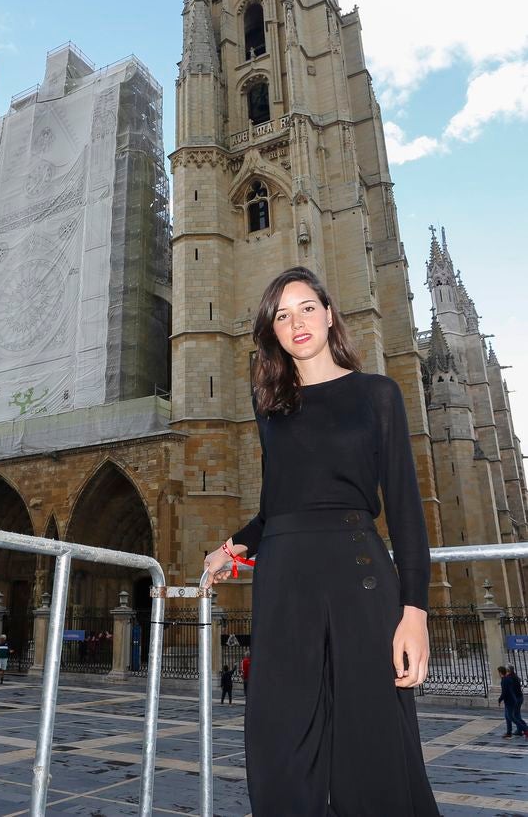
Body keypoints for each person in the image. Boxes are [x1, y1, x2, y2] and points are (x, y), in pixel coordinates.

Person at [203, 267, 441, 817]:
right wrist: (233, 547)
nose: (296, 322)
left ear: (330, 314)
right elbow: (278, 505)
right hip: (285, 579)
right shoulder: (269, 404)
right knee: (277, 742)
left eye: (306, 307)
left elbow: (406, 512)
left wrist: (415, 613)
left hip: (359, 575)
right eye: (282, 315)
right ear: (273, 330)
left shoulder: (378, 394)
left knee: (374, 742)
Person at [498, 665, 528, 738]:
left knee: (512, 717)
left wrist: (500, 699)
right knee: (512, 716)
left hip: (514, 699)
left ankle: (524, 730)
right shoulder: (515, 677)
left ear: (508, 671)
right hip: (517, 698)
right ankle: (516, 731)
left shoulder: (508, 679)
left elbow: (506, 691)